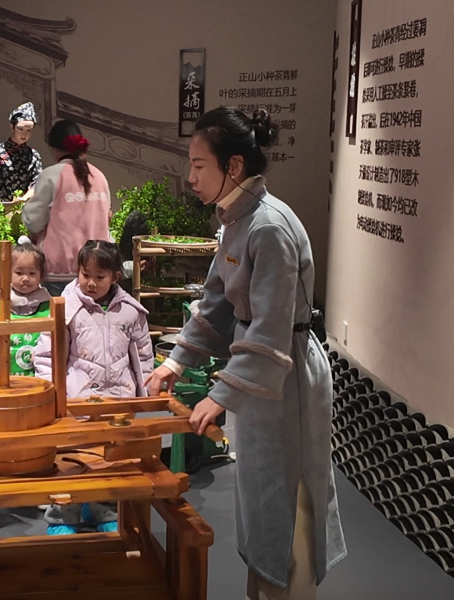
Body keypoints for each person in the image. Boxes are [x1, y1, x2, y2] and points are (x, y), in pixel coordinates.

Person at [145, 106, 346, 599]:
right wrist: (175, 362)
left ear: (233, 166)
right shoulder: (237, 220)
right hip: (261, 376)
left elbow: (272, 325)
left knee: (289, 493)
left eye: (198, 164)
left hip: (286, 374)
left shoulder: (268, 226)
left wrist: (219, 395)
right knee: (259, 491)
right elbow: (217, 302)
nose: (190, 176)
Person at [32, 240, 153, 535]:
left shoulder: (130, 311)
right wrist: (51, 392)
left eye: (100, 277)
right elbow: (47, 354)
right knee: (70, 459)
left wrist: (147, 391)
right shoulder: (66, 307)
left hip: (118, 400)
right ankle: (63, 517)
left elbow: (143, 354)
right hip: (78, 399)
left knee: (110, 461)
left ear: (115, 277)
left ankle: (104, 511)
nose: (91, 283)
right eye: (86, 275)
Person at [22, 119, 112, 296]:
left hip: (59, 269)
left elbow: (33, 221)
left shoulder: (51, 175)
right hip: (97, 270)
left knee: (59, 314)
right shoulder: (100, 176)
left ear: (53, 148)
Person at [0, 242, 50, 377]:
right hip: (3, 384)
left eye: (32, 273)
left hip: (41, 384)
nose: (25, 278)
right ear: (7, 273)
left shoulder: (50, 309)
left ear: (41, 275)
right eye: (19, 272)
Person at [0, 102, 43, 202]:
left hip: (23, 205)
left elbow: (37, 182)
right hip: (0, 205)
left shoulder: (34, 155)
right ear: (12, 127)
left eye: (29, 130)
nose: (24, 134)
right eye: (20, 129)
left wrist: (23, 199)